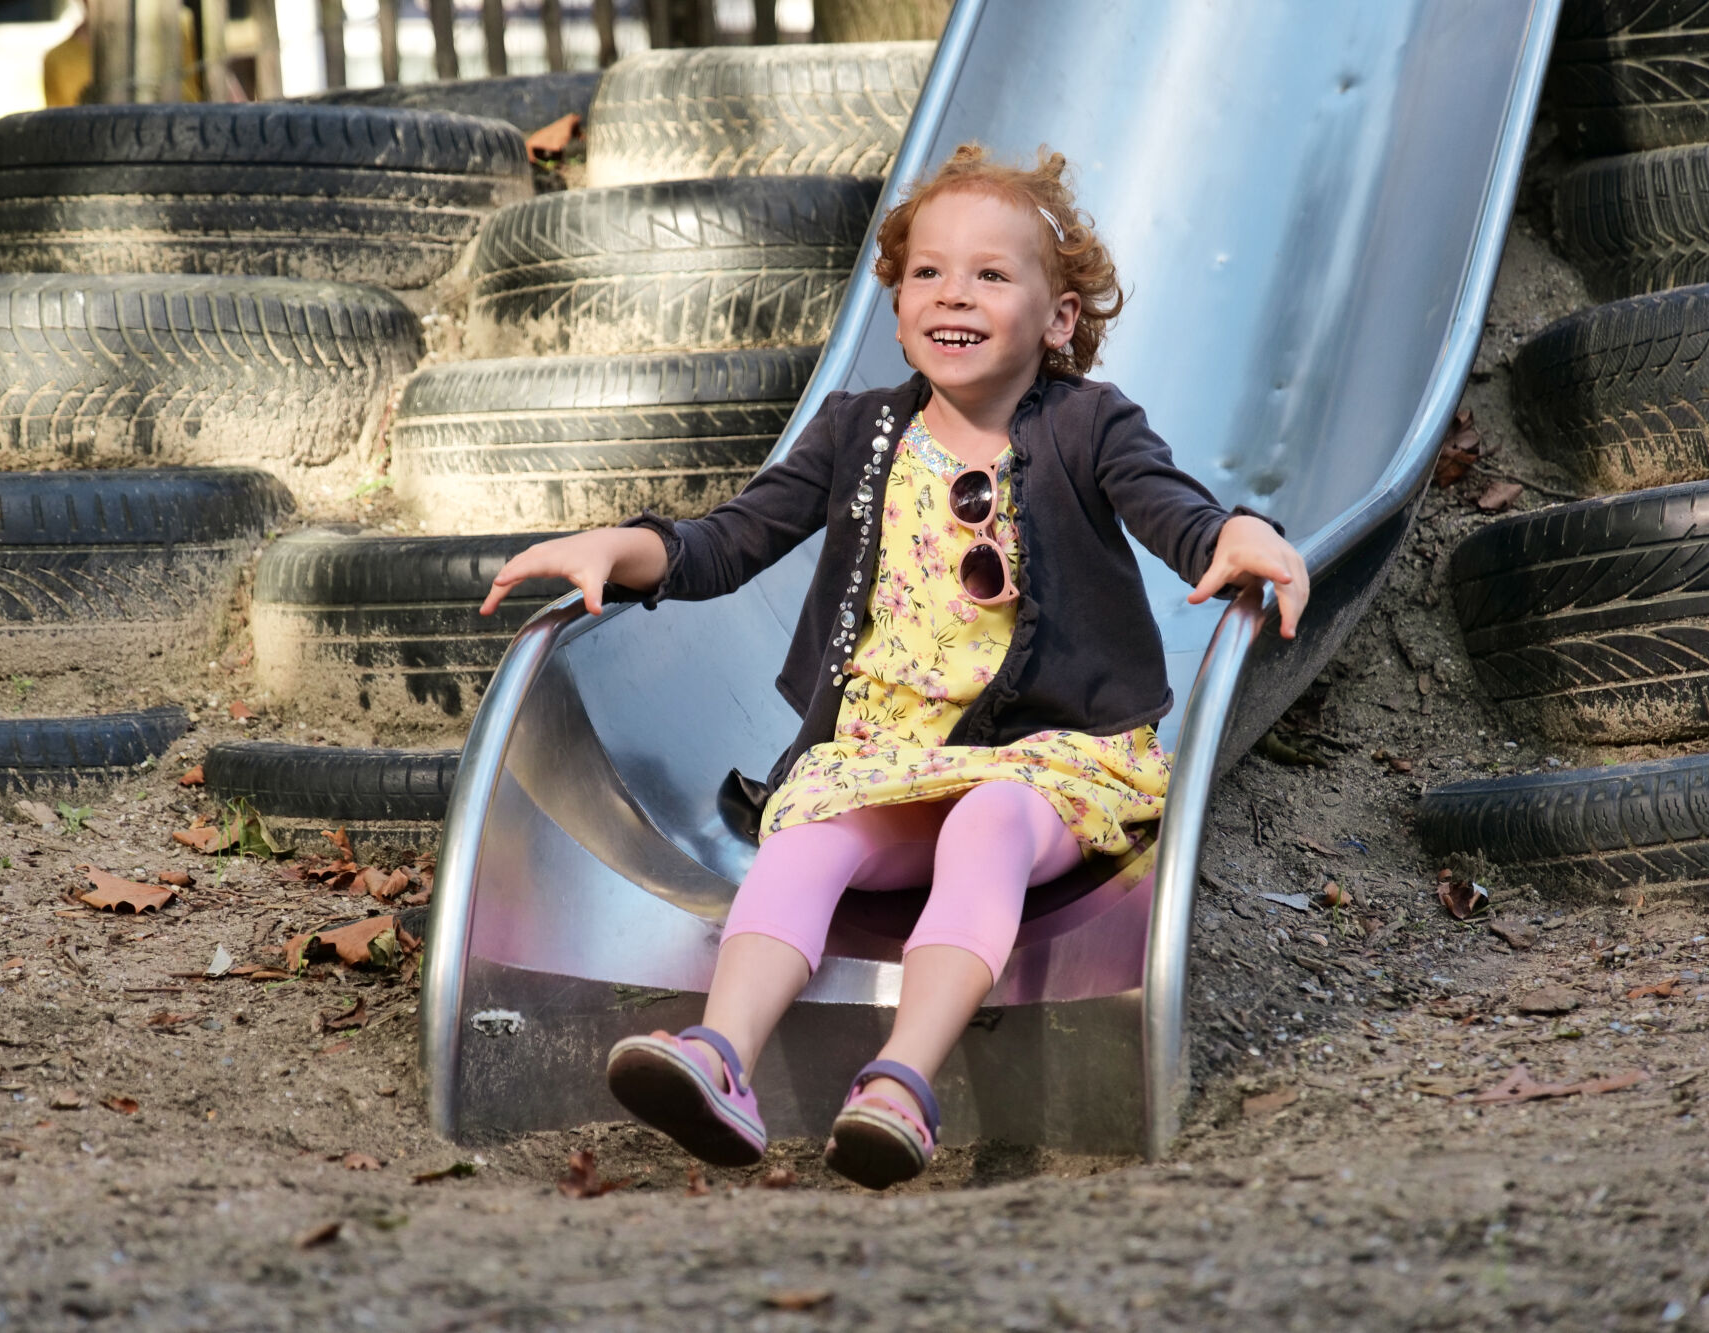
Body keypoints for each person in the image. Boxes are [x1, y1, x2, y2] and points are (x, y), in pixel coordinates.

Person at [479, 144, 1311, 1190]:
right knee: (803, 842)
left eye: (990, 275)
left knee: (986, 823)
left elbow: (1169, 509)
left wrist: (1230, 536)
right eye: (926, 272)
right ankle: (718, 1053)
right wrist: (623, 548)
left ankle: (901, 1083)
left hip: (1042, 761)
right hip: (880, 760)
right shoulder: (857, 433)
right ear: (896, 297)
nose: (951, 293)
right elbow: (728, 541)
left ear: (1057, 319)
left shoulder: (1087, 425)